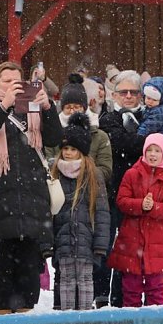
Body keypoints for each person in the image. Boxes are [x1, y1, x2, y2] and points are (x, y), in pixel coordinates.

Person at [0, 62, 62, 313]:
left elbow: (54, 139)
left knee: (29, 271)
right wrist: (4, 104)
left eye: (17, 81)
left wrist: (47, 107)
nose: (12, 86)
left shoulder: (33, 110)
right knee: (2, 272)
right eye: (6, 81)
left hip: (32, 202)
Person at [107, 133, 163, 307]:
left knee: (156, 288)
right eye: (150, 150)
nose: (153, 154)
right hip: (131, 240)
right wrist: (140, 205)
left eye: (157, 150)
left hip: (157, 241)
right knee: (131, 288)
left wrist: (154, 207)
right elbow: (122, 201)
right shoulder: (132, 174)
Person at [98, 69, 148, 307]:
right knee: (105, 244)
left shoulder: (149, 117)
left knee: (129, 248)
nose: (128, 96)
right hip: (111, 191)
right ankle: (100, 296)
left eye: (133, 92)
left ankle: (120, 298)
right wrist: (147, 142)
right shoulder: (107, 119)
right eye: (123, 92)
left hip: (140, 195)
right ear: (114, 95)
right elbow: (119, 142)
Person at [51, 112, 109, 311]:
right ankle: (66, 320)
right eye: (65, 148)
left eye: (72, 149)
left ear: (81, 151)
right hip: (63, 239)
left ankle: (85, 319)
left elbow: (102, 212)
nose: (67, 153)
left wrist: (100, 245)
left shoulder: (93, 175)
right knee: (65, 280)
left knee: (85, 280)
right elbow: (49, 211)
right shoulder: (55, 172)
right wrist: (48, 241)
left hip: (86, 240)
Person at [137, 77, 163, 142]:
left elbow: (150, 126)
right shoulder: (155, 107)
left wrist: (139, 134)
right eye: (148, 98)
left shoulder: (161, 112)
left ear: (162, 100)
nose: (150, 101)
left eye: (154, 100)